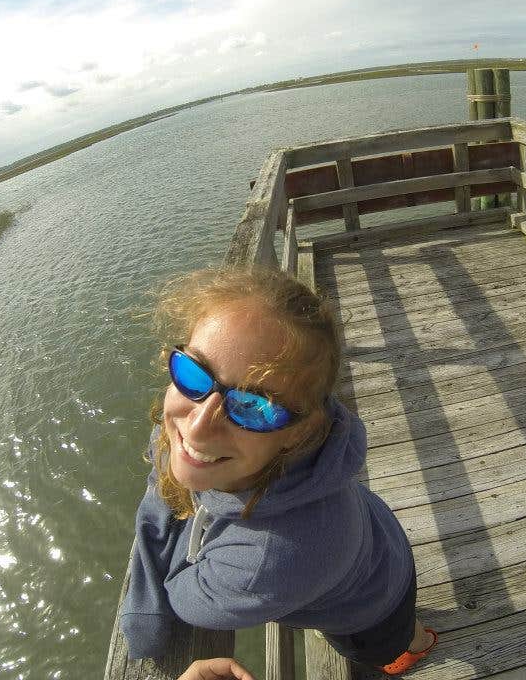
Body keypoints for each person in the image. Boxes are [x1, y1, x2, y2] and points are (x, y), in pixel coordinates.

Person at [119, 266, 438, 675]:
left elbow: (181, 596)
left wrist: (167, 516)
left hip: (369, 611)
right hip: (382, 541)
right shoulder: (289, 441)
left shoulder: (271, 560)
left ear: (299, 431)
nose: (197, 427)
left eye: (254, 406)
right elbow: (167, 471)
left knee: (385, 645)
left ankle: (413, 645)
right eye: (193, 374)